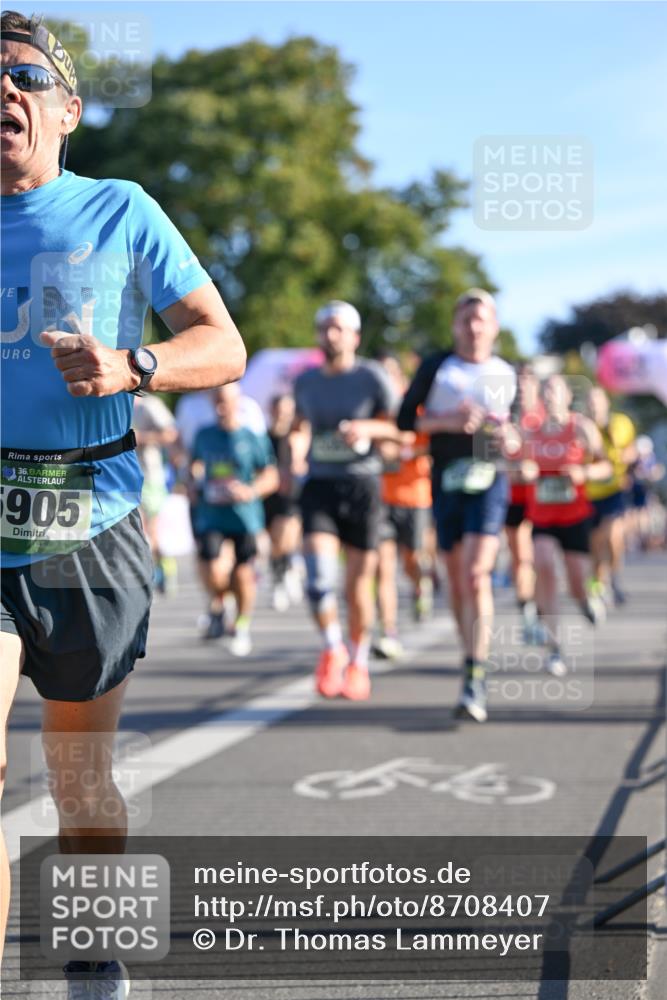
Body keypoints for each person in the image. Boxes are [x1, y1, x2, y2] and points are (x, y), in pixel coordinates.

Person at [0, 13, 246, 994]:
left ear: (69, 109)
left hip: (90, 525)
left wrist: (135, 362)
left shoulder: (120, 209)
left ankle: (94, 952)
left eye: (21, 74)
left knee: (79, 779)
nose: (0, 91)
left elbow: (220, 343)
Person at [398, 289, 517, 723]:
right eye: (466, 319)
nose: (473, 326)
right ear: (455, 325)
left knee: (475, 572)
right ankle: (470, 659)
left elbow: (519, 431)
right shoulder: (437, 366)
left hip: (490, 478)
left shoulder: (507, 373)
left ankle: (476, 673)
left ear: (494, 325)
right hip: (446, 480)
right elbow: (404, 418)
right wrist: (447, 421)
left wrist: (511, 438)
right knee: (455, 579)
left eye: (481, 318)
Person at [294, 301, 398, 701]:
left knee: (358, 586)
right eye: (324, 327)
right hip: (320, 484)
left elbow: (399, 431)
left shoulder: (371, 377)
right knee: (319, 579)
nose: (330, 334)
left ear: (355, 336)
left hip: (362, 486)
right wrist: (294, 456)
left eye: (338, 328)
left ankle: (358, 661)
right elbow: (300, 426)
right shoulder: (306, 382)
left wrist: (365, 429)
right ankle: (333, 647)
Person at [523, 375, 612, 675]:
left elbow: (606, 466)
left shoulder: (581, 427)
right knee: (544, 565)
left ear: (566, 396)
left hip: (574, 516)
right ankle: (554, 646)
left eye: (554, 390)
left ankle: (585, 601)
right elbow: (513, 470)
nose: (549, 396)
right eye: (544, 390)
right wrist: (524, 471)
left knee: (576, 582)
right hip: (542, 517)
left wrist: (583, 473)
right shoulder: (531, 430)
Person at [190, 383, 278, 655]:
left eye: (225, 402)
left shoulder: (252, 438)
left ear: (237, 403)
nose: (220, 408)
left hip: (244, 518)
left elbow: (271, 476)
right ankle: (220, 601)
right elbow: (194, 465)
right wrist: (194, 481)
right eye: (216, 402)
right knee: (213, 571)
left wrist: (249, 491)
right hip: (212, 514)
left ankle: (241, 624)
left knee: (242, 574)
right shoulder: (204, 435)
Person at [374, 353, 433, 659]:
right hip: (382, 498)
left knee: (412, 561)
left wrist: (407, 448)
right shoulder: (375, 412)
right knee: (383, 568)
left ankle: (420, 586)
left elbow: (430, 443)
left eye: (390, 375)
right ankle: (388, 632)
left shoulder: (416, 408)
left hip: (415, 496)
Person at [504, 363, 545, 643]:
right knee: (520, 556)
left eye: (526, 382)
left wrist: (536, 469)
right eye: (517, 383)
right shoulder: (504, 416)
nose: (521, 388)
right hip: (512, 497)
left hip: (541, 497)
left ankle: (539, 610)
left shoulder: (546, 416)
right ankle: (529, 614)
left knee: (538, 557)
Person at [585, 387, 636, 605]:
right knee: (596, 543)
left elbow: (632, 449)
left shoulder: (621, 423)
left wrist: (627, 456)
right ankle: (599, 582)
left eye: (597, 401)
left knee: (614, 535)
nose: (594, 406)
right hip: (588, 493)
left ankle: (614, 576)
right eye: (590, 402)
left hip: (614, 489)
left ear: (606, 402)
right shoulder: (582, 426)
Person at [132, 393, 179, 594]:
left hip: (150, 476)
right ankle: (146, 572)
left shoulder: (148, 405)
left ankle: (164, 566)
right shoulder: (109, 402)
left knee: (151, 530)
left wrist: (140, 438)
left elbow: (171, 433)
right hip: (125, 477)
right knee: (138, 528)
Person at [264, 393, 305, 612]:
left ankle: (288, 567)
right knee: (274, 543)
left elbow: (301, 462)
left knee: (286, 536)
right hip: (269, 494)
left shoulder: (296, 437)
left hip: (291, 494)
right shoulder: (264, 437)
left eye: (287, 410)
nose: (283, 415)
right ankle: (282, 573)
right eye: (279, 410)